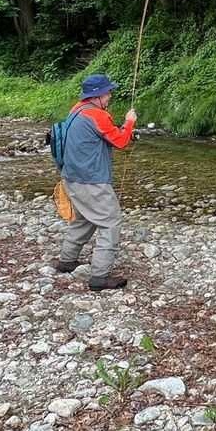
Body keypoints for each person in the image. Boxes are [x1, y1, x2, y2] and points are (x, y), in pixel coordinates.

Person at [52, 73, 137, 291]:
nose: (110, 96)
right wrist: (129, 122)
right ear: (98, 95)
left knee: (84, 219)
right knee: (110, 222)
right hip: (91, 181)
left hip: (71, 177)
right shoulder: (97, 115)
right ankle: (99, 277)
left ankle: (67, 261)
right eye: (108, 93)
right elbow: (120, 141)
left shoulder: (76, 109)